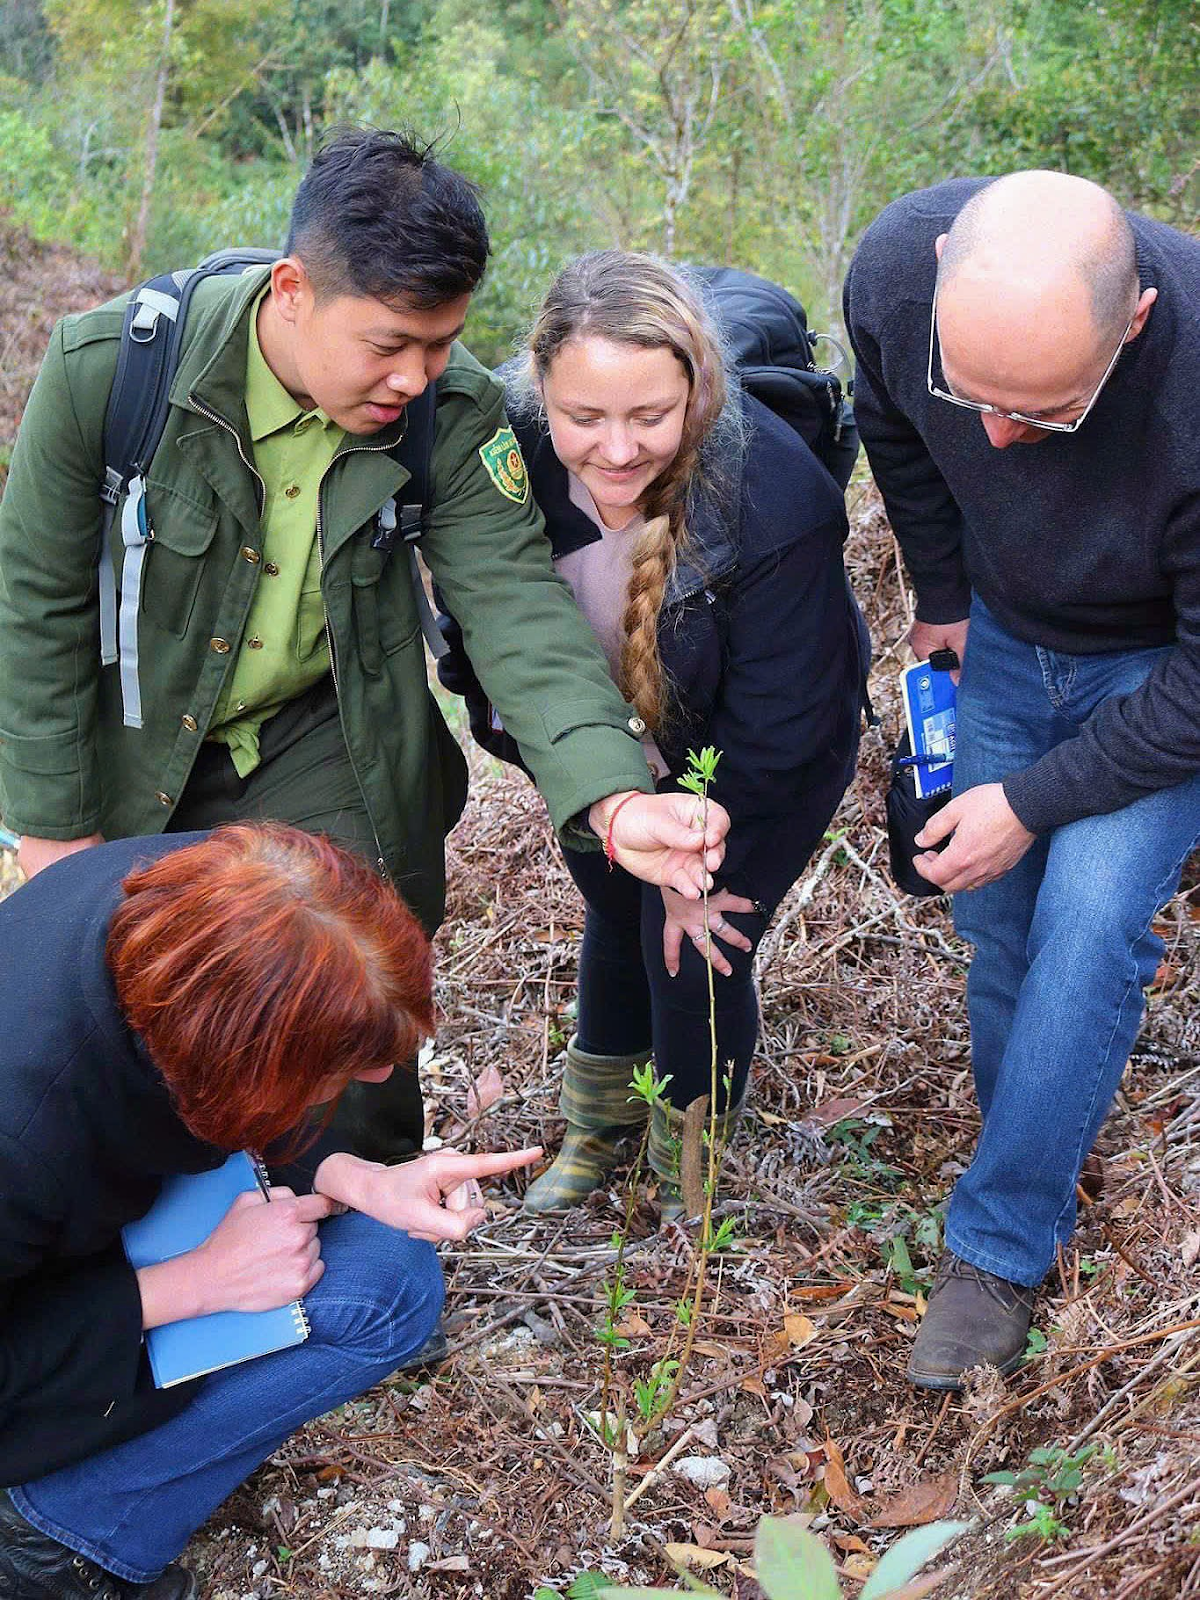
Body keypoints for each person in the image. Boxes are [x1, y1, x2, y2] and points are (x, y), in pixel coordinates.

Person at [0, 128, 728, 1165]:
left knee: (350, 977)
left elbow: (514, 603)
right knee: (136, 1001)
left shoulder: (452, 411)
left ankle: (360, 1231)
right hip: (136, 732)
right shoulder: (109, 372)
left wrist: (615, 797)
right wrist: (51, 833)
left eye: (441, 342)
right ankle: (159, 1260)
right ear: (292, 290)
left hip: (321, 726)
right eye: (389, 344)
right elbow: (37, 607)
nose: (415, 376)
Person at [844, 171, 1200, 1389]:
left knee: (1089, 926)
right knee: (996, 924)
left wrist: (1034, 801)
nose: (997, 440)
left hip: (1160, 667)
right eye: (974, 393)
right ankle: (1036, 1140)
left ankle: (996, 1251)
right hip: (1000, 634)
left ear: (1135, 321)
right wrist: (942, 596)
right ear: (944, 264)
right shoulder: (897, 276)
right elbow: (893, 427)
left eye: (1044, 413)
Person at [0, 822, 542, 1600]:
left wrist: (361, 1178)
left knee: (390, 1277)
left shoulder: (197, 897)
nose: (383, 1072)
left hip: (60, 1245)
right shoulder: (20, 1132)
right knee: (376, 1294)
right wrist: (195, 1283)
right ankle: (50, 1536)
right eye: (345, 1065)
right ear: (238, 1059)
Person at [438, 251, 868, 1218]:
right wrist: (602, 793)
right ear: (539, 386)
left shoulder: (776, 495)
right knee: (615, 912)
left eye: (651, 417)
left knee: (693, 946)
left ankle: (691, 1161)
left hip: (755, 761)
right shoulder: (502, 459)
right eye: (584, 417)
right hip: (594, 747)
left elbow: (786, 723)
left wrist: (694, 853)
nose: (619, 449)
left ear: (697, 392)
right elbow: (487, 647)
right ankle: (599, 1131)